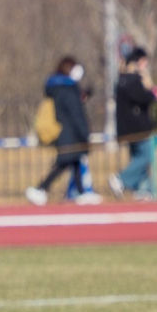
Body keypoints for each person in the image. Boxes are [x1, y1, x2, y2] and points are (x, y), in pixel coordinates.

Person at [25, 57, 102, 205]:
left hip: (65, 131)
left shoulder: (58, 88)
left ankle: (81, 192)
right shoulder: (67, 89)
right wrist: (85, 132)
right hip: (70, 132)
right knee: (64, 162)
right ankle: (40, 189)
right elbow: (75, 113)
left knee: (74, 161)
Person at [108, 47, 157, 201]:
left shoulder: (121, 80)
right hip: (139, 127)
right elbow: (144, 97)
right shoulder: (133, 80)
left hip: (127, 128)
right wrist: (152, 92)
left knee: (138, 159)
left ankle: (143, 191)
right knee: (146, 157)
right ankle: (120, 179)